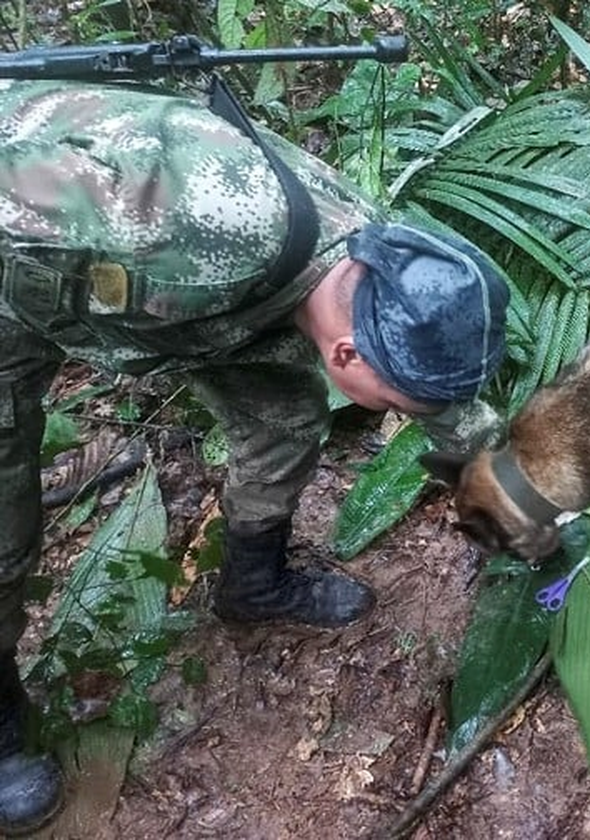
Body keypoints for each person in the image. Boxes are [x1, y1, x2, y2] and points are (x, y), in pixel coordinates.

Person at [0, 77, 509, 835]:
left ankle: (253, 584)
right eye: (396, 405)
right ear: (347, 352)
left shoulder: (376, 261)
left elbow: (446, 399)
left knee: (283, 416)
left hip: (192, 307)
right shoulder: (184, 236)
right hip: (22, 273)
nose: (402, 417)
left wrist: (520, 500)